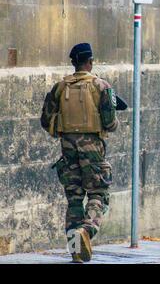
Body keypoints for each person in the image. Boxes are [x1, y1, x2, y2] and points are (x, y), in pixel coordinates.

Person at [40, 43, 119, 263]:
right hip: (93, 148)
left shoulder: (59, 87)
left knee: (74, 199)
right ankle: (87, 230)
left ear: (73, 63)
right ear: (90, 62)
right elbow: (110, 123)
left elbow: (45, 120)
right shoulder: (101, 86)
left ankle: (76, 251)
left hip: (67, 148)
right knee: (98, 194)